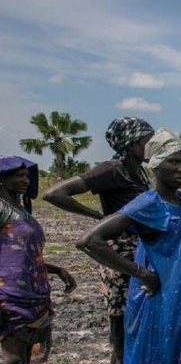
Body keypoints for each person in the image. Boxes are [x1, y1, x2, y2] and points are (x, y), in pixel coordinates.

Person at [75, 129, 181, 364]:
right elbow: (89, 241)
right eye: (173, 162)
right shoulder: (148, 203)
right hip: (161, 300)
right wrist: (142, 273)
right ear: (155, 164)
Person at [42, 117, 153, 364]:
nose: (151, 145)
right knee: (122, 324)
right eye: (148, 141)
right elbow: (54, 194)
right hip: (117, 254)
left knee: (136, 323)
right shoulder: (112, 169)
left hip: (138, 250)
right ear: (131, 143)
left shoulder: (140, 172)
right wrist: (97, 216)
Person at [1, 156, 77, 364]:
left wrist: (57, 270)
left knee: (34, 356)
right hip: (11, 295)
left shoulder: (21, 210)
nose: (25, 180)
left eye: (26, 175)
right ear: (2, 180)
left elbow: (24, 255)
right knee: (14, 358)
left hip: (35, 292)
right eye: (19, 176)